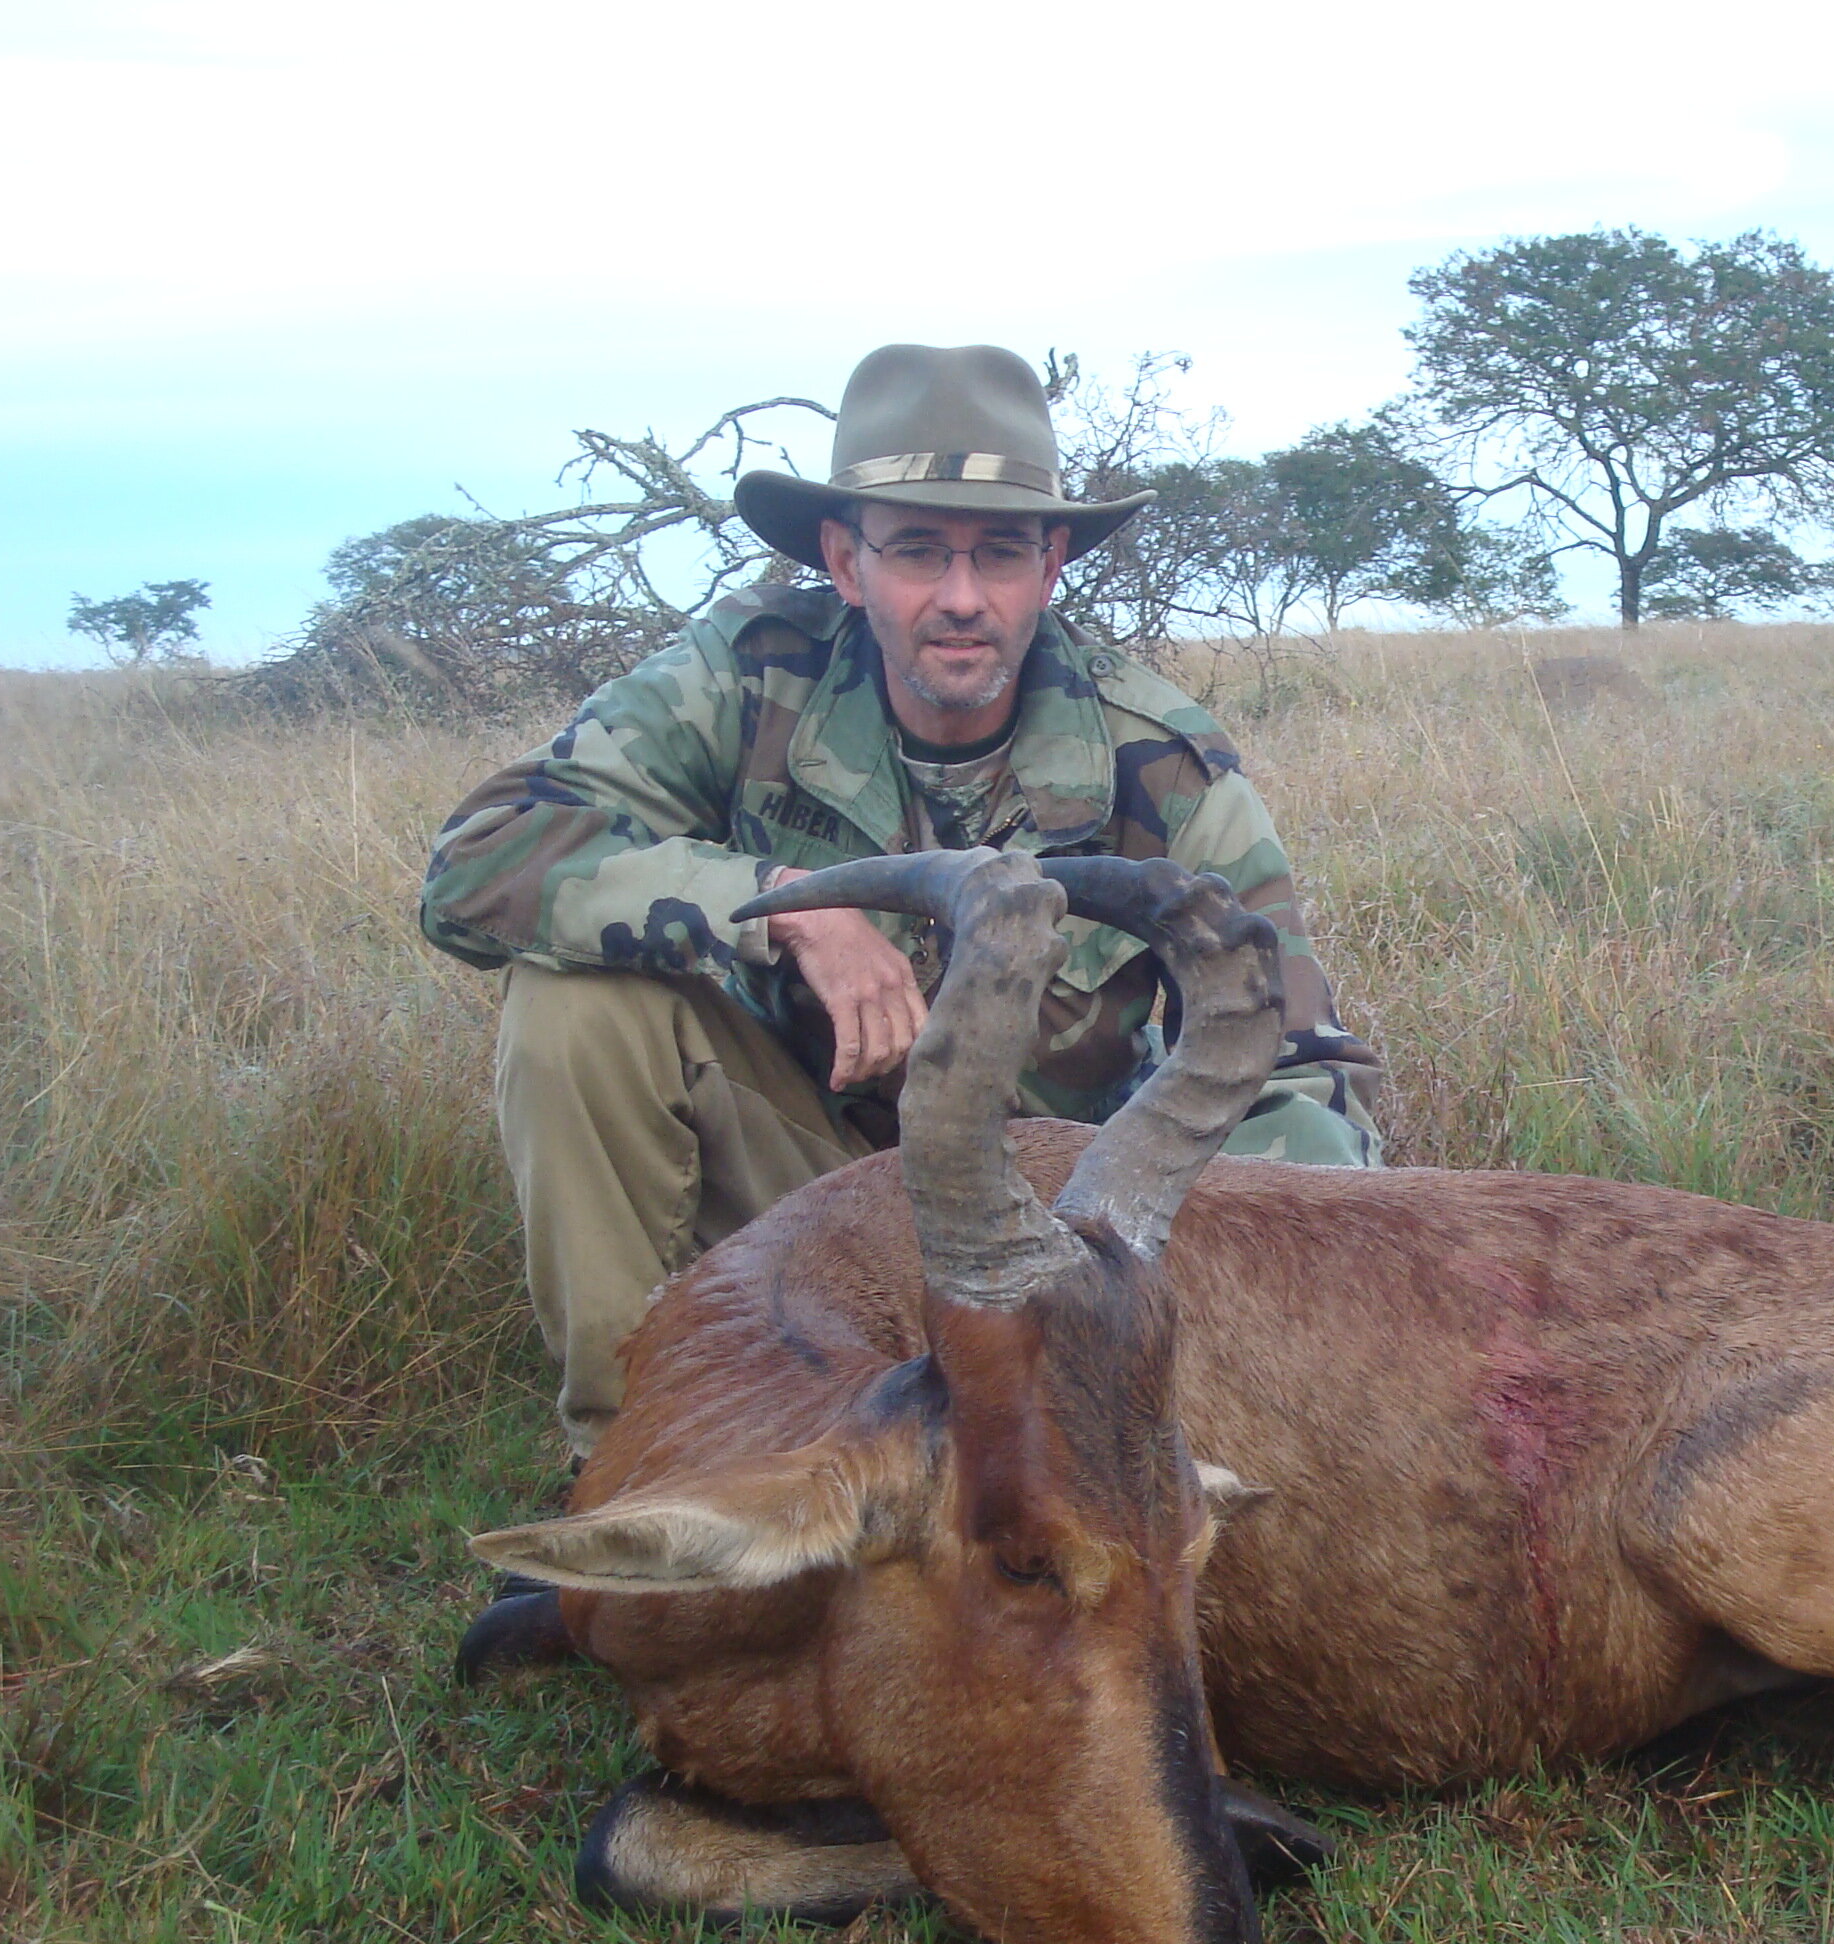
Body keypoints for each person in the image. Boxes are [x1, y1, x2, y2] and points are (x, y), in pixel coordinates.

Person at [421, 344, 1386, 1457]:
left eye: (1000, 553)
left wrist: (1182, 1289)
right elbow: (479, 860)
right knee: (572, 1011)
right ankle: (641, 1466)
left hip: (1051, 1257)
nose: (963, 599)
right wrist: (783, 904)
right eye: (918, 551)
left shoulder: (1165, 765)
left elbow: (1298, 1065)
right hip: (804, 1203)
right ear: (845, 558)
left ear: (1052, 562)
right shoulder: (743, 674)